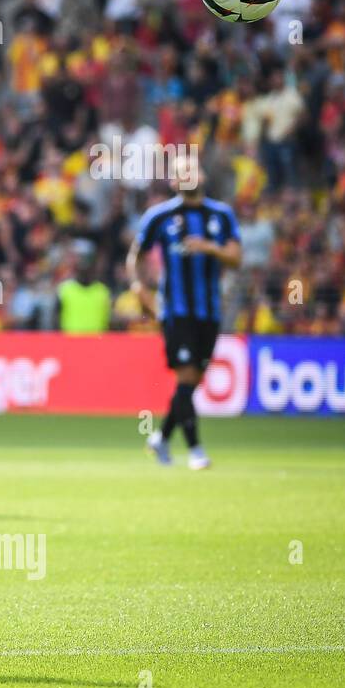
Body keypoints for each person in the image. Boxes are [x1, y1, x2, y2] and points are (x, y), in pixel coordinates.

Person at [126, 160, 242, 470]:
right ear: (175, 182)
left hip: (209, 311)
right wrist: (139, 287)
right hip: (175, 311)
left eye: (193, 169)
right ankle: (195, 450)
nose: (188, 175)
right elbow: (136, 253)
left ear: (203, 176)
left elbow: (235, 258)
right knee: (186, 376)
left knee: (192, 382)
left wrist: (209, 248)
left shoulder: (221, 215)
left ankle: (161, 438)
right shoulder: (160, 216)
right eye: (181, 172)